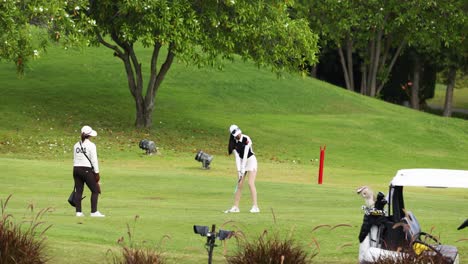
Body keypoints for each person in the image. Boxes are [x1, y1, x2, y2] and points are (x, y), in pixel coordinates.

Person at [225, 124, 260, 213]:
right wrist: (239, 170)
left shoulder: (246, 138)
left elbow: (245, 154)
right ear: (233, 135)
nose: (239, 135)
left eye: (239, 133)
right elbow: (237, 158)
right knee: (239, 184)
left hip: (251, 161)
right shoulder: (233, 144)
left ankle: (255, 206)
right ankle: (236, 207)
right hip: (241, 162)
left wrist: (243, 168)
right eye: (237, 134)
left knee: (250, 183)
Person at [72, 125, 105, 217]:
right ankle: (94, 212)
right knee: (95, 190)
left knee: (78, 190)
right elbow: (94, 160)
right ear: (90, 135)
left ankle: (78, 212)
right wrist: (97, 173)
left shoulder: (76, 145)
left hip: (76, 169)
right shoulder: (91, 145)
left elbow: (74, 159)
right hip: (86, 169)